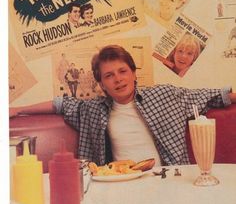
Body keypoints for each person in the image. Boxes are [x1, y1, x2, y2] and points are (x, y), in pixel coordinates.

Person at [10, 45, 236, 167]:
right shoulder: (92, 109)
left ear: (134, 74)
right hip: (119, 182)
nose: (118, 79)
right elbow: (60, 104)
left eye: (122, 71)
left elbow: (215, 95)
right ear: (101, 84)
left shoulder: (166, 95)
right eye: (109, 75)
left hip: (168, 178)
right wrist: (18, 110)